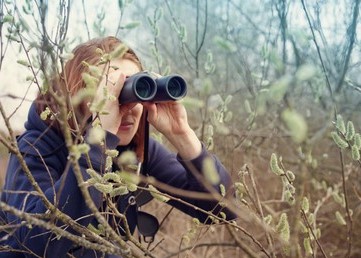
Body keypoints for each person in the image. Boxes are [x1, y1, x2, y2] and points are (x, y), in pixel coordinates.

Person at [0, 36, 235, 257]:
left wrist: (182, 134)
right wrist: (98, 143)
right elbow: (36, 243)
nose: (128, 107)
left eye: (136, 91)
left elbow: (221, 210)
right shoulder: (37, 146)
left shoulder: (135, 150)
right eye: (113, 93)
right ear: (77, 96)